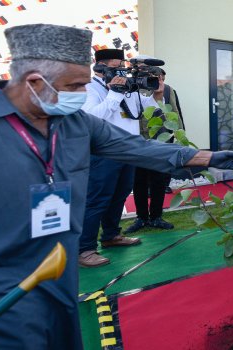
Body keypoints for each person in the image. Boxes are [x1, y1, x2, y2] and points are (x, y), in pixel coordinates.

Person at [0, 24, 233, 349]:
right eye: (74, 85)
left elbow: (135, 147)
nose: (81, 92)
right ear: (35, 82)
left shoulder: (74, 121)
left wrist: (206, 156)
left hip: (60, 276)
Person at [78, 49, 156, 267]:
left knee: (119, 195)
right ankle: (84, 249)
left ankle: (111, 236)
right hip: (103, 151)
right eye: (116, 64)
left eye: (123, 64)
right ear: (101, 66)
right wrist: (115, 93)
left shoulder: (128, 87)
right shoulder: (89, 87)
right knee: (97, 199)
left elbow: (150, 109)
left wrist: (153, 92)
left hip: (128, 150)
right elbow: (92, 117)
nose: (121, 69)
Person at [125, 65, 186, 233]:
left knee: (160, 181)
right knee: (139, 182)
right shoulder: (134, 89)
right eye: (152, 76)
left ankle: (157, 217)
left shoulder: (168, 90)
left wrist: (180, 137)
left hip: (161, 141)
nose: (156, 80)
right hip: (138, 142)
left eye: (159, 77)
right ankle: (141, 217)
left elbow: (175, 112)